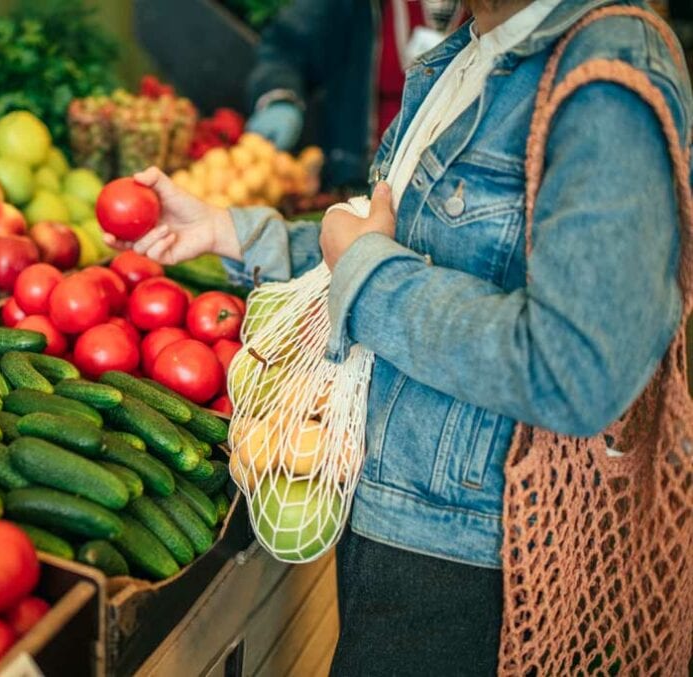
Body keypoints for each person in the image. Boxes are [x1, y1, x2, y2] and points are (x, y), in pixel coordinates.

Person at [107, 0, 693, 673]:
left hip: (471, 562)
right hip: (396, 507)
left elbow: (576, 367)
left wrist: (368, 274)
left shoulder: (606, 71)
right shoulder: (472, 47)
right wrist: (232, 231)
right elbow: (395, 241)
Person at [245, 0, 464, 188]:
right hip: (359, 181)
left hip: (454, 191)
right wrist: (280, 97)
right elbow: (284, 48)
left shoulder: (492, 14)